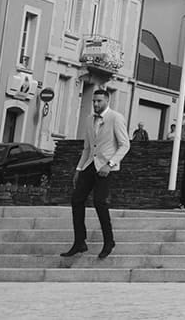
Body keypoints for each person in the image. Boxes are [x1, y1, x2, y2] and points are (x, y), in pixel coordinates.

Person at [63, 87, 130, 260]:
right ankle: (79, 242)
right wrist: (79, 169)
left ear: (107, 101)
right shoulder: (88, 119)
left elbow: (125, 144)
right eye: (94, 101)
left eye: (99, 101)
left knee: (100, 202)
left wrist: (110, 164)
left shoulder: (116, 118)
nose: (95, 104)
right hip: (89, 164)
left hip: (105, 167)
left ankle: (109, 241)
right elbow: (87, 147)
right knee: (76, 199)